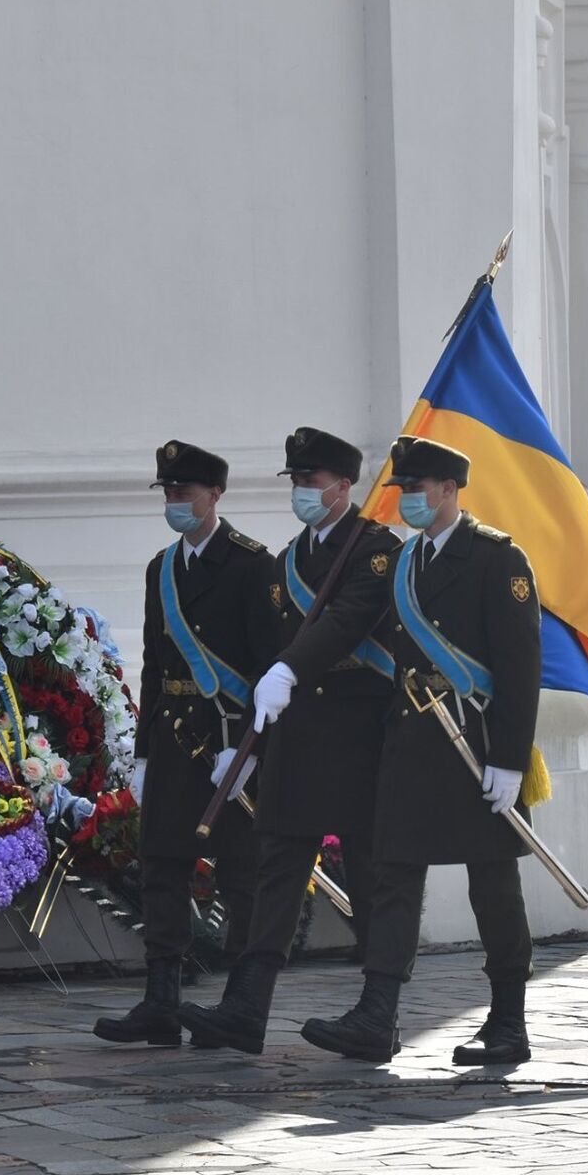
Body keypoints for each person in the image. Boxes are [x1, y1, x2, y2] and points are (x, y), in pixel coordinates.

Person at [299, 436, 543, 1065]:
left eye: (417, 488)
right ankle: (377, 1013)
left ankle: (508, 1020)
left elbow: (519, 669)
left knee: (492, 883)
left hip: (476, 742)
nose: (407, 499)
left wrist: (511, 760)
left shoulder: (498, 559)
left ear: (449, 490)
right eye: (402, 488)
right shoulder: (404, 563)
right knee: (392, 879)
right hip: (413, 741)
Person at [179, 428, 402, 1054]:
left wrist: (289, 668)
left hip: (358, 731)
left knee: (367, 872)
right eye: (296, 481)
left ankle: (377, 1013)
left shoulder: (377, 550)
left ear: (344, 486)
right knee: (277, 866)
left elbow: (347, 620)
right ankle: (247, 1005)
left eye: (312, 480)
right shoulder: (286, 562)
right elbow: (271, 645)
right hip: (298, 732)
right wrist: (244, 733)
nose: (302, 491)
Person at [94, 441, 277, 1048]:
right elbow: (153, 663)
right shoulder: (162, 568)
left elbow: (267, 664)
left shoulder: (252, 565)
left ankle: (238, 1003)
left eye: (185, 492)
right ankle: (162, 999)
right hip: (175, 741)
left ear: (215, 495)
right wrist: (144, 751)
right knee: (162, 866)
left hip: (227, 743)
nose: (175, 502)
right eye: (168, 492)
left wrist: (251, 746)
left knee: (239, 873)